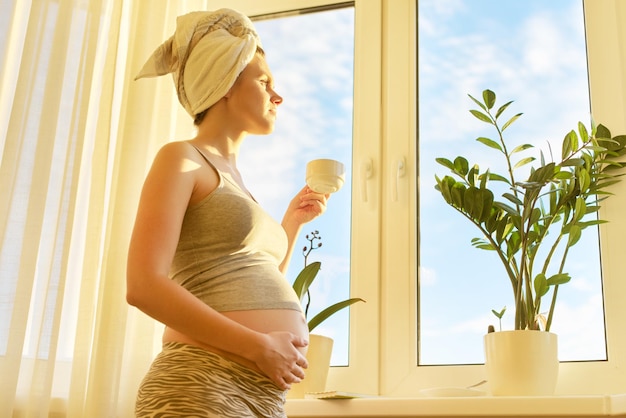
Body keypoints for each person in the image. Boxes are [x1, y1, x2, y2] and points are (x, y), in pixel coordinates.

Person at [127, 9, 330, 417]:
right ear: (224, 84)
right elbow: (143, 285)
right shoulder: (181, 158)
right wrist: (259, 345)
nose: (278, 95)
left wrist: (291, 222)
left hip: (260, 394)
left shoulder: (236, 180)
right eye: (264, 81)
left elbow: (249, 278)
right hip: (201, 382)